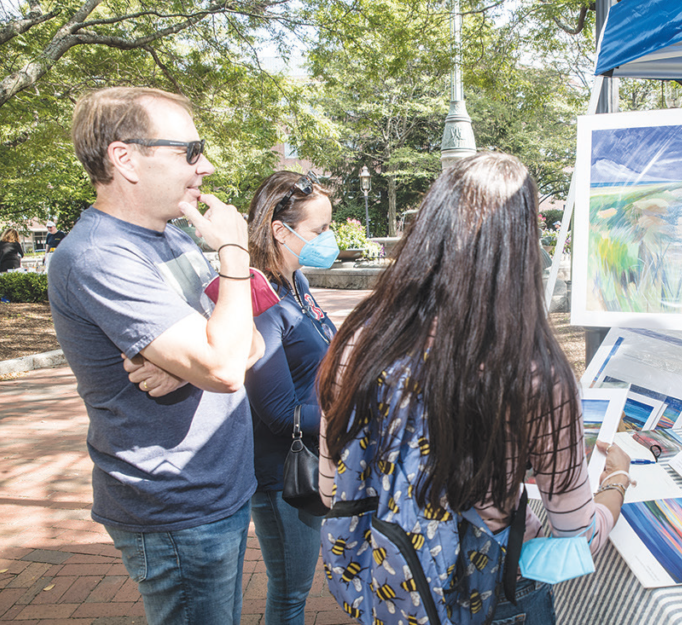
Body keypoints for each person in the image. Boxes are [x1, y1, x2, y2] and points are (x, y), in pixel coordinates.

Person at [317, 152, 632, 623]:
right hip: (491, 589)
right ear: (522, 244)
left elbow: (331, 492)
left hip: (388, 577)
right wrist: (615, 484)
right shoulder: (534, 371)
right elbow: (575, 531)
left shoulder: (361, 339)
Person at [48, 86, 264, 625]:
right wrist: (234, 255)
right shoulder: (99, 255)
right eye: (190, 151)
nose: (206, 166)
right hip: (176, 507)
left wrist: (195, 366)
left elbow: (249, 342)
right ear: (125, 158)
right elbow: (224, 363)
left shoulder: (174, 240)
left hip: (220, 490)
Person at [243, 171, 339, 625]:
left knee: (295, 587)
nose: (329, 239)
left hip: (309, 459)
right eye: (320, 230)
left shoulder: (296, 282)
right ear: (282, 231)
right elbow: (278, 411)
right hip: (282, 474)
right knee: (291, 591)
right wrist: (360, 414)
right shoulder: (259, 298)